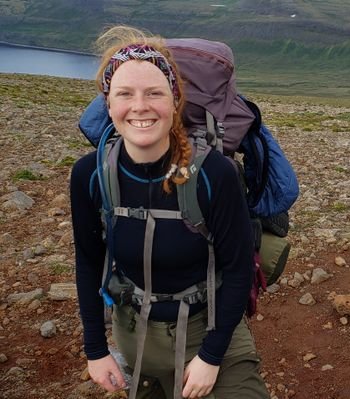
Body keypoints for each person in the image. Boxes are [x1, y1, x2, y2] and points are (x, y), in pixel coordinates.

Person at [70, 25, 269, 399]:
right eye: (125, 94)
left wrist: (211, 356)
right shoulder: (90, 174)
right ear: (108, 103)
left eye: (154, 93)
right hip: (135, 335)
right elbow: (88, 262)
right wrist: (96, 350)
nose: (140, 106)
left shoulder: (213, 173)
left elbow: (239, 267)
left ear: (175, 101)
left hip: (209, 330)